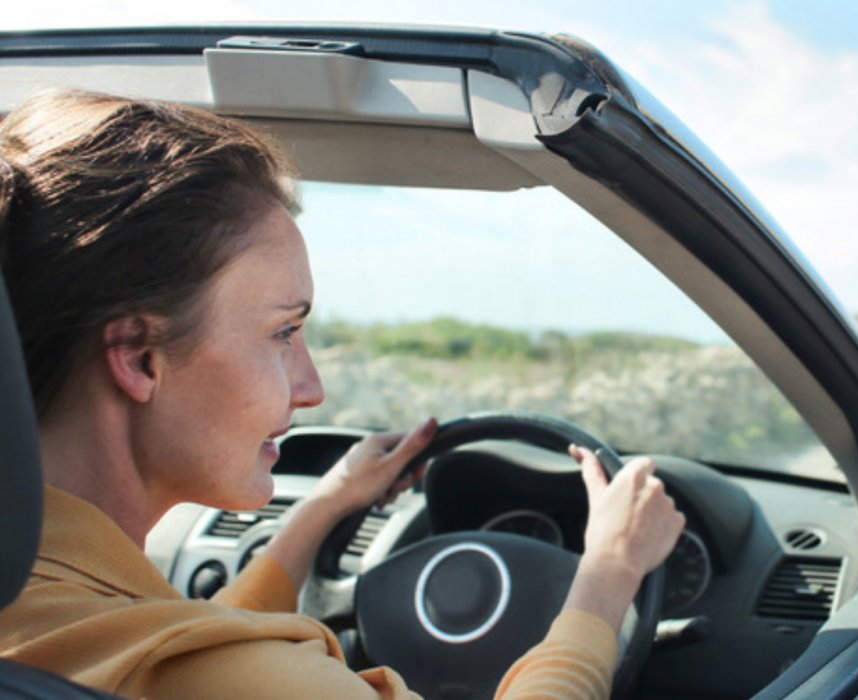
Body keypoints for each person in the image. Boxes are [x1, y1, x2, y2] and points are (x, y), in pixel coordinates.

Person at [0, 89, 685, 700]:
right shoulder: (248, 678)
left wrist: (326, 505)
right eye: (283, 332)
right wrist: (606, 576)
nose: (312, 388)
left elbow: (187, 646)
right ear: (140, 359)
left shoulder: (49, 617)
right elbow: (215, 665)